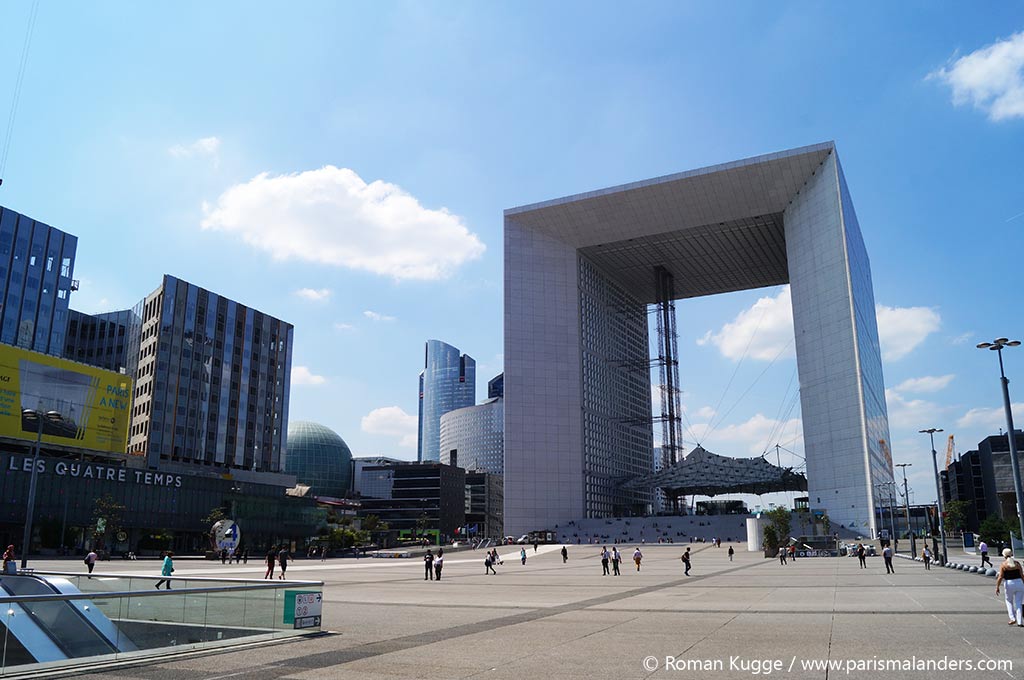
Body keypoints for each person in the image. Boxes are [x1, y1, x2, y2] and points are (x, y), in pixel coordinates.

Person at [996, 548, 1024, 627]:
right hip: (1019, 583)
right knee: (1018, 602)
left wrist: (997, 587)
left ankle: (1012, 618)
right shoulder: (1017, 563)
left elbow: (1000, 577)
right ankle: (1020, 621)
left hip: (1009, 583)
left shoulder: (1003, 564)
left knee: (1009, 601)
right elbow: (1022, 575)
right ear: (1011, 554)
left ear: (1004, 555)